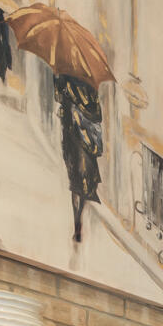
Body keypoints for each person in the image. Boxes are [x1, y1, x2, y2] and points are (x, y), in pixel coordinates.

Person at [54, 75, 103, 244]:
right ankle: (77, 222)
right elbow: (97, 113)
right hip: (82, 140)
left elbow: (58, 99)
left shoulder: (64, 78)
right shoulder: (90, 83)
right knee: (81, 181)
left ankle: (77, 223)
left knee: (76, 181)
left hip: (74, 138)